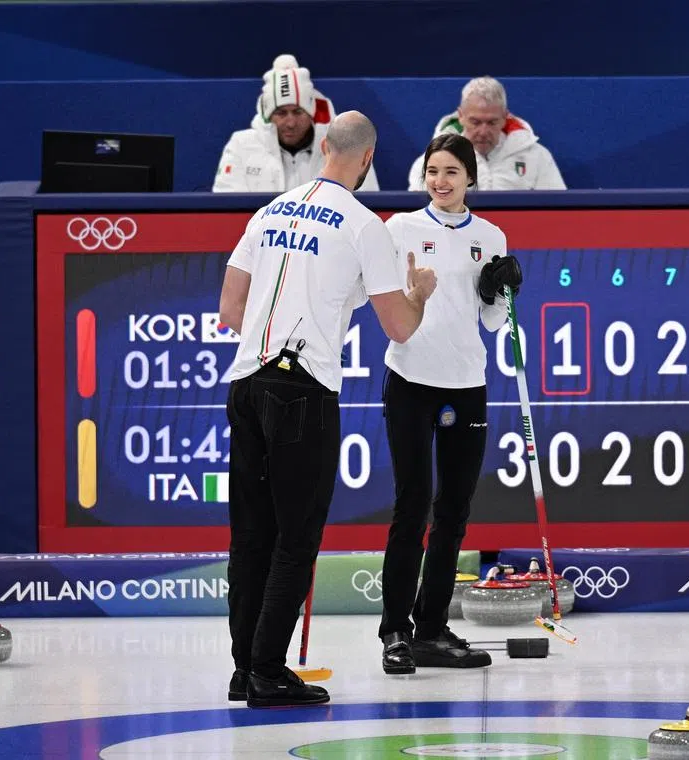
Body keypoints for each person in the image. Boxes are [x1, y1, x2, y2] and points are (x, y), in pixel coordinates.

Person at [218, 111, 436, 707]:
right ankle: (268, 670)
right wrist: (419, 293)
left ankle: (244, 668)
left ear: (323, 150)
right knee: (297, 536)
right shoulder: (365, 225)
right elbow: (399, 327)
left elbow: (230, 308)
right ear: (366, 159)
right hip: (302, 389)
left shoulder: (268, 212)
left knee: (251, 535)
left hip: (246, 382)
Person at [378, 133, 522, 674]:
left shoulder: (491, 235)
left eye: (451, 173)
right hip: (411, 376)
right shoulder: (401, 229)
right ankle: (395, 629)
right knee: (412, 504)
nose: (440, 182)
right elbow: (387, 302)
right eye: (432, 172)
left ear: (471, 179)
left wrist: (501, 290)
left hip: (466, 381)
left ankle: (431, 627)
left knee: (454, 511)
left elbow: (490, 321)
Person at [213, 54, 380, 193]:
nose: (291, 122)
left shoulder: (344, 145)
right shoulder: (241, 146)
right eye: (281, 113)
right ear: (268, 117)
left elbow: (366, 203)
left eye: (298, 112)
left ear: (311, 113)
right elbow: (227, 210)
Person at [406, 76, 565, 191]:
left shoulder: (536, 156)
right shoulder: (431, 161)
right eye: (475, 122)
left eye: (491, 122)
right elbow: (418, 218)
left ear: (505, 118)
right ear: (461, 117)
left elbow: (558, 213)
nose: (483, 131)